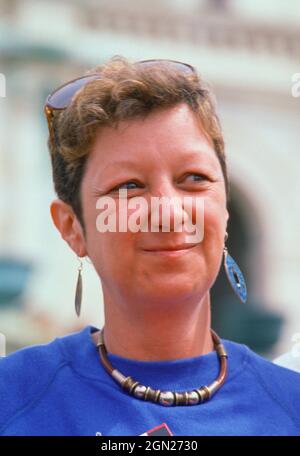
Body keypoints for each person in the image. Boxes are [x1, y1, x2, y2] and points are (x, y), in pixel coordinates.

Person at [0, 57, 299, 436]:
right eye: (128, 187)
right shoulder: (11, 398)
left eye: (194, 178)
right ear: (72, 227)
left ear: (224, 210)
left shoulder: (291, 407)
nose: (169, 212)